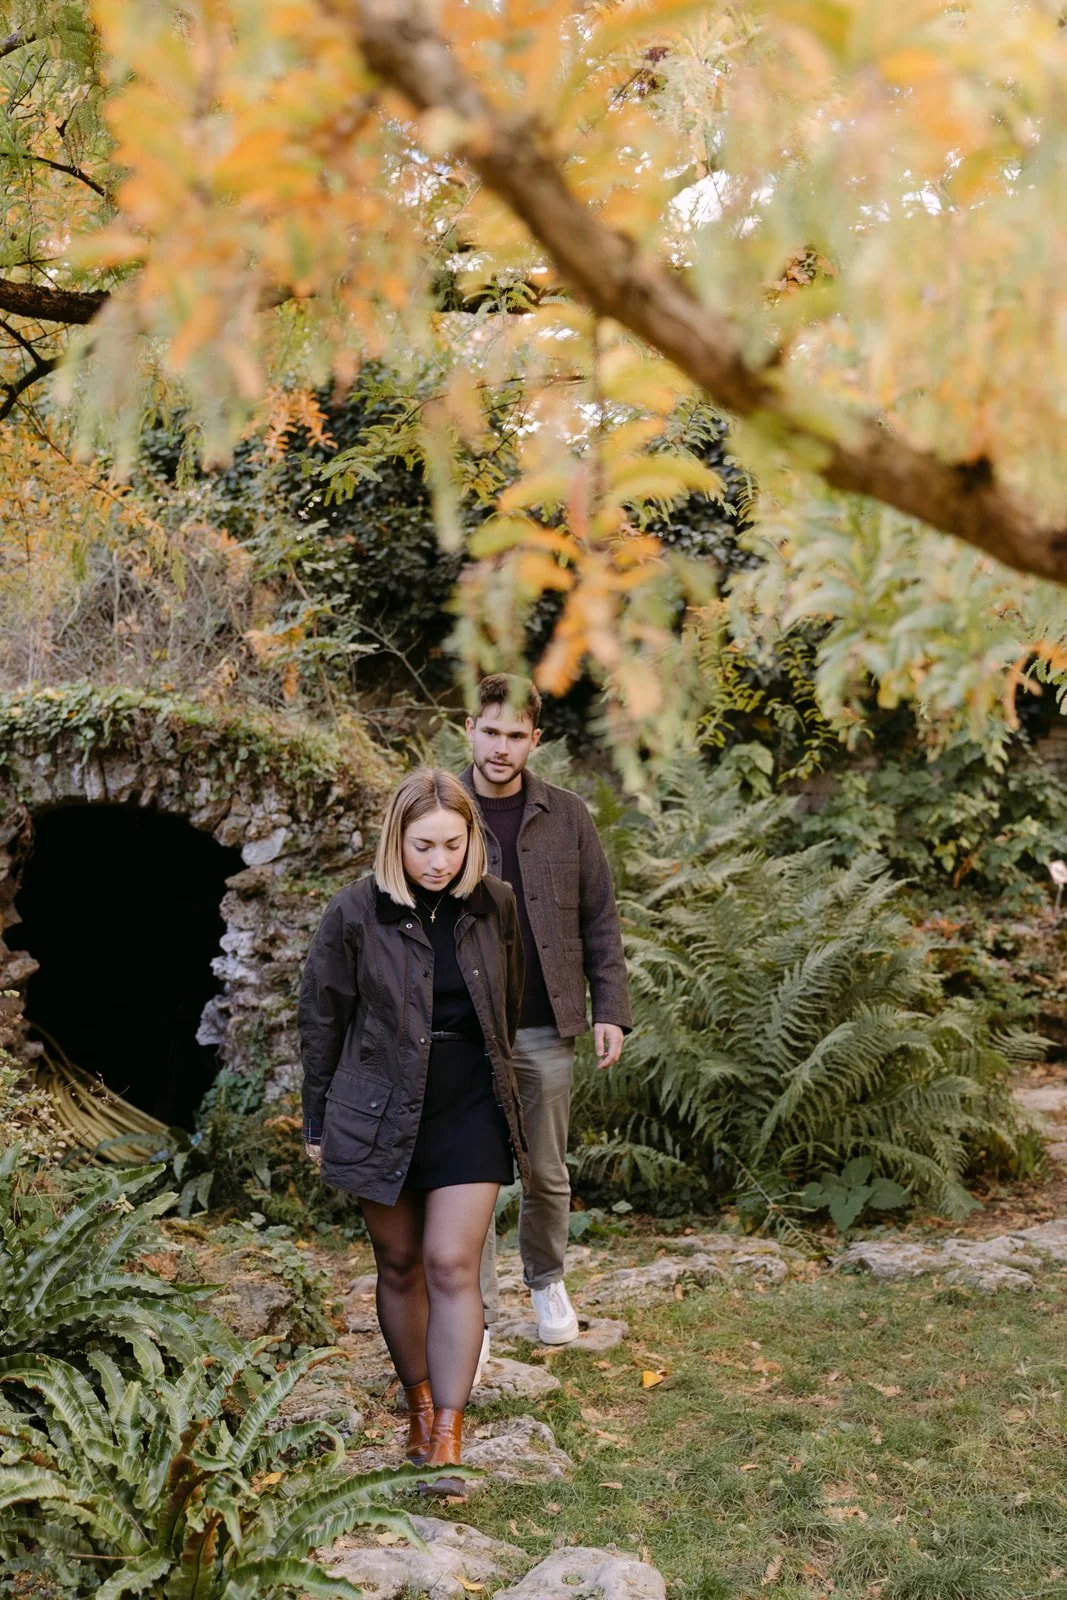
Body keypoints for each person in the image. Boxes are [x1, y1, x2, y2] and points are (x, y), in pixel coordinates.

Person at [299, 767, 528, 1495]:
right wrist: (315, 1122)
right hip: (377, 1108)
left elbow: (509, 1004)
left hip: (469, 1107)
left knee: (450, 1264)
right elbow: (320, 1021)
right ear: (395, 841)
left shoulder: (495, 906)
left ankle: (448, 1438)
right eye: (423, 845)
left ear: (472, 843)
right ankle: (418, 1404)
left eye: (452, 845)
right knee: (398, 1266)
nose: (438, 861)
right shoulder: (355, 913)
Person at [462, 675, 631, 1350]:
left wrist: (609, 1008)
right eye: (490, 732)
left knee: (545, 1168)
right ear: (468, 729)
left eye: (515, 736)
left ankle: (546, 1280)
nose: (501, 749)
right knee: (464, 1167)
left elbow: (599, 917)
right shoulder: (438, 809)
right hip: (462, 1023)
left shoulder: (567, 816)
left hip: (544, 1021)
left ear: (535, 740)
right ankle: (470, 1302)